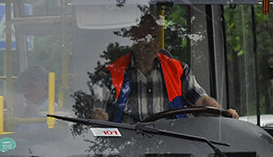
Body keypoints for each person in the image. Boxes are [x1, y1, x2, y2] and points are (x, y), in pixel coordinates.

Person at [93, 10, 237, 123]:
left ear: (159, 41)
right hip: (126, 149)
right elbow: (100, 113)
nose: (149, 43)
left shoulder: (179, 70)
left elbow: (202, 101)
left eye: (153, 37)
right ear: (133, 40)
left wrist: (222, 113)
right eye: (143, 38)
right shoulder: (111, 73)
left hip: (172, 148)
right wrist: (99, 117)